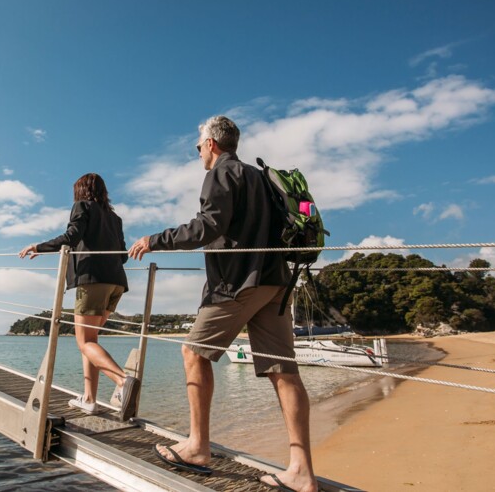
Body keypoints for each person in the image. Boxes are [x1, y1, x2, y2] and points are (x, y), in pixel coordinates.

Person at [128, 116, 317, 491]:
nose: (198, 151)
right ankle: (302, 472)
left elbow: (207, 226)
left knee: (194, 353)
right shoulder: (261, 177)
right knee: (283, 371)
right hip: (276, 281)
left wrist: (156, 239)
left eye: (198, 146)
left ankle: (198, 446)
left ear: (212, 144)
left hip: (239, 283)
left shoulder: (221, 173)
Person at [19, 173, 140, 421]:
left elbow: (72, 236)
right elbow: (124, 255)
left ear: (81, 191)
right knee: (91, 341)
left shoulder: (82, 206)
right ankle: (89, 399)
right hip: (116, 283)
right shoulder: (115, 219)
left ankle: (123, 381)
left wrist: (39, 247)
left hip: (92, 280)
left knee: (84, 342)